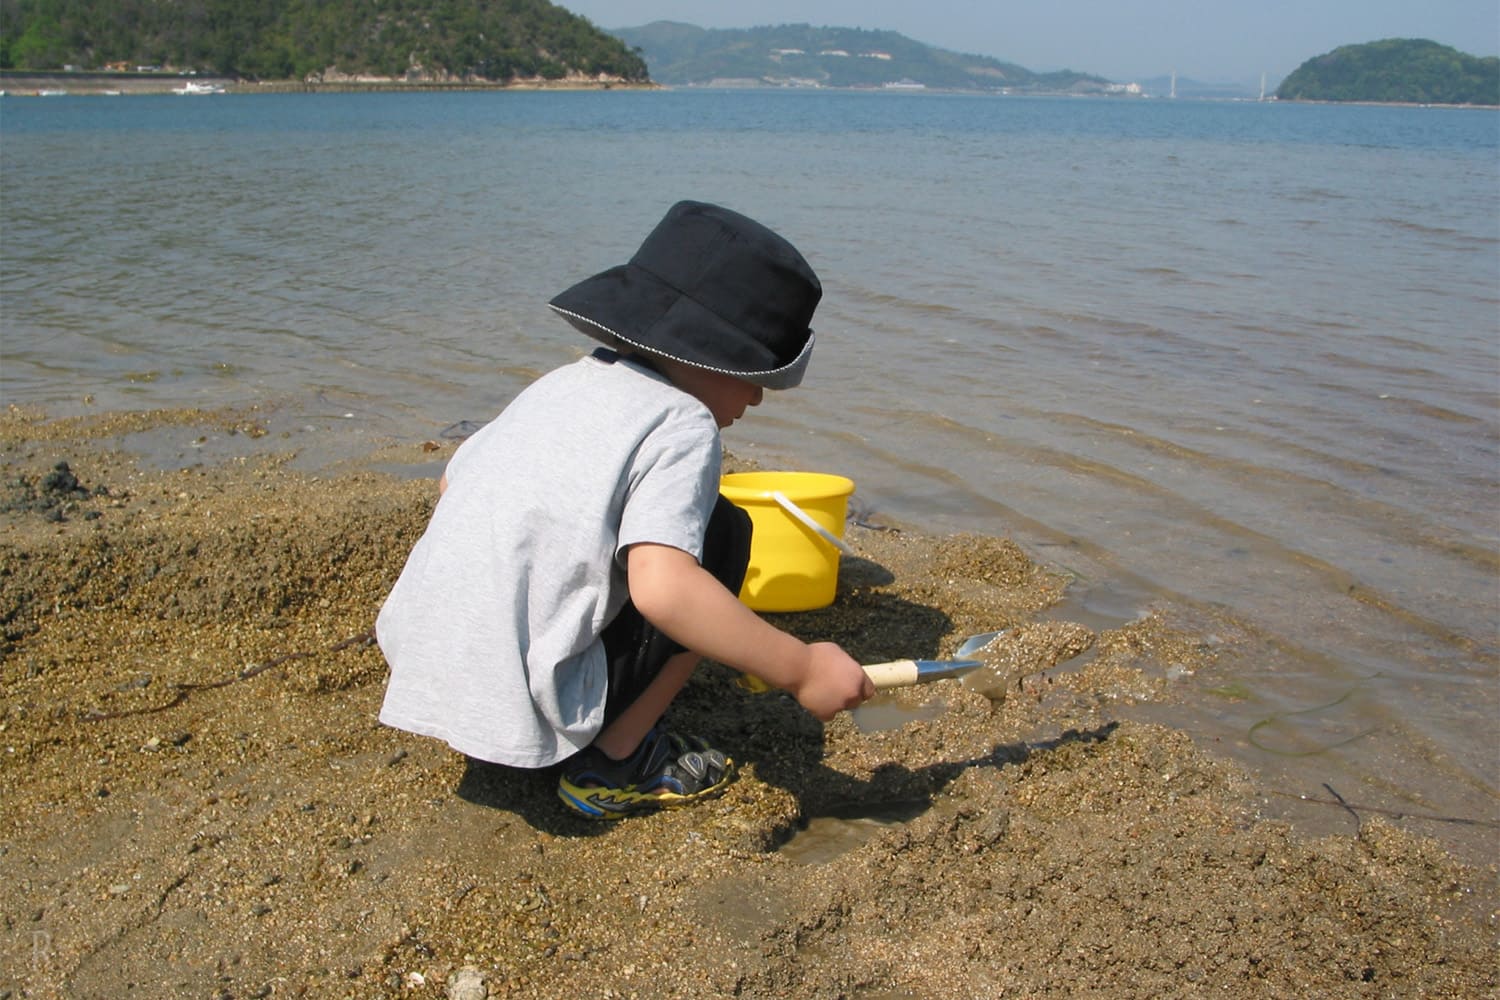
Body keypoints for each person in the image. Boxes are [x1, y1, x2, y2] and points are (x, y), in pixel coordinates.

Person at [375, 200, 874, 819]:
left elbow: (456, 488)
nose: (756, 398)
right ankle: (615, 761)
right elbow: (665, 592)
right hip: (523, 697)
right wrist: (800, 669)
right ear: (708, 353)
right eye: (754, 376)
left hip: (420, 662)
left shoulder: (559, 384)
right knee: (723, 533)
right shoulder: (684, 421)